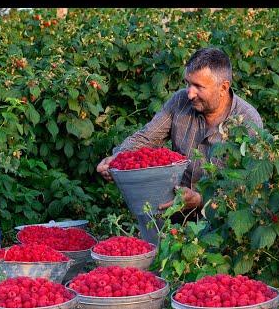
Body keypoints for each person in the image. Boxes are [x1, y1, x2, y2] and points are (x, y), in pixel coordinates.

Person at [96, 47, 263, 216]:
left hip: (220, 214)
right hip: (172, 205)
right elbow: (147, 138)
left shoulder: (247, 121)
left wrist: (199, 199)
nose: (190, 94)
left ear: (223, 88)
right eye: (188, 83)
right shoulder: (179, 102)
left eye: (198, 86)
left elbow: (247, 185)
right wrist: (118, 158)